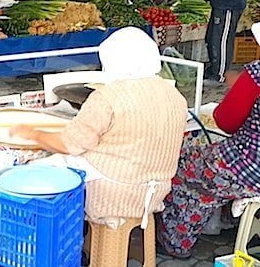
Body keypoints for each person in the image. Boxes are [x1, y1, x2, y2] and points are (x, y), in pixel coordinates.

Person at [11, 27, 188, 229]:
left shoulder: (108, 97)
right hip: (157, 189)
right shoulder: (174, 95)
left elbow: (69, 144)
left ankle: (48, 236)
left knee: (34, 168)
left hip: (114, 191)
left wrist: (32, 133)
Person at [157, 24, 260, 258]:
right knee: (206, 162)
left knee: (181, 162)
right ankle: (225, 220)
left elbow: (225, 121)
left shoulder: (256, 75)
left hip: (249, 169)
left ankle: (175, 241)